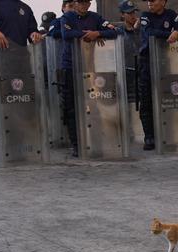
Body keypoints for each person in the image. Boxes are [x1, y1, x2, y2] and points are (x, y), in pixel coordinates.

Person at [0, 0, 46, 140]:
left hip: (22, 61)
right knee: (0, 97)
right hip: (1, 61)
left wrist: (34, 35)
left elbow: (33, 31)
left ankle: (21, 134)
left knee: (21, 97)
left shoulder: (25, 8)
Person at [57, 0, 117, 157]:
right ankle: (77, 144)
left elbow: (114, 31)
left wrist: (98, 33)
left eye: (86, 2)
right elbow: (66, 34)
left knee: (93, 105)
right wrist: (89, 34)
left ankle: (94, 140)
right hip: (70, 67)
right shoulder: (67, 17)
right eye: (80, 2)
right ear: (75, 3)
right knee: (72, 107)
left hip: (90, 68)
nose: (83, 5)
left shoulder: (95, 17)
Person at [137, 0, 178, 150]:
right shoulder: (145, 16)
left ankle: (167, 134)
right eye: (148, 1)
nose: (150, 3)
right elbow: (150, 33)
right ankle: (149, 137)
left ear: (163, 1)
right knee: (146, 101)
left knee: (167, 99)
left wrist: (177, 32)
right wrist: (173, 35)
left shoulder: (171, 15)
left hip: (165, 63)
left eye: (153, 0)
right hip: (147, 63)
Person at [117, 0, 141, 106]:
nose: (132, 15)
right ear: (122, 14)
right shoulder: (119, 32)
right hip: (127, 76)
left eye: (134, 12)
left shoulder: (142, 30)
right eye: (129, 13)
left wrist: (136, 30)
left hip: (142, 74)